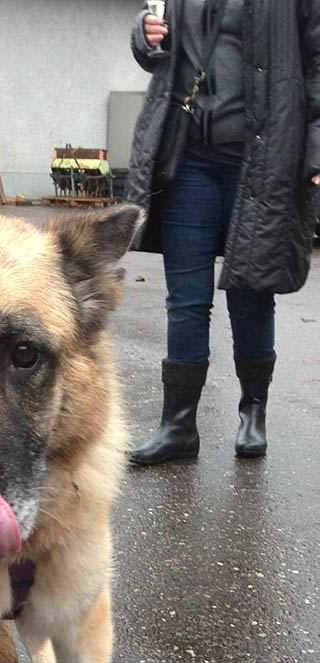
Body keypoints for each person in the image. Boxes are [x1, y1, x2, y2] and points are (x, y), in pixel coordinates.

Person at [125, 0, 320, 466]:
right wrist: (143, 34)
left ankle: (253, 413)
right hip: (188, 157)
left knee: (251, 292)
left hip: (263, 161)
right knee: (186, 299)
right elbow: (163, 54)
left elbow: (317, 64)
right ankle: (178, 426)